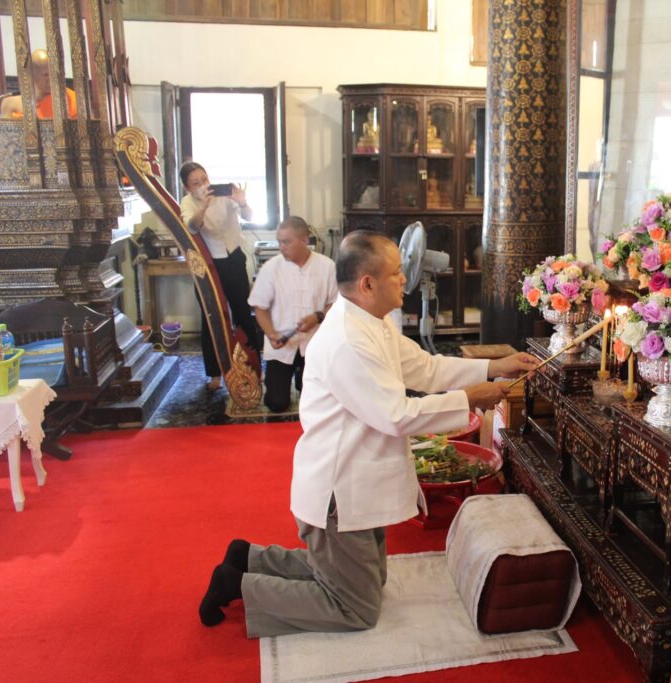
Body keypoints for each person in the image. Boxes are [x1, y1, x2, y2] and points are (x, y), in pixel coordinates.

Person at [197, 230, 539, 636]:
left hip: (358, 481)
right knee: (355, 609)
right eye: (396, 272)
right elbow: (397, 416)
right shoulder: (347, 340)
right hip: (338, 494)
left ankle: (249, 557)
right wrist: (468, 399)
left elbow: (425, 368)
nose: (404, 278)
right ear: (367, 284)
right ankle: (238, 584)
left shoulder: (370, 321)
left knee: (367, 582)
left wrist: (494, 367)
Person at [180, 161, 263, 390]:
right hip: (208, 265)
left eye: (204, 179)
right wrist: (203, 205)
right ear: (187, 187)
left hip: (234, 258)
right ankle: (214, 375)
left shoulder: (225, 193)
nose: (202, 185)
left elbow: (249, 216)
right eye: (195, 183)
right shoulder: (187, 202)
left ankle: (255, 367)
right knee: (211, 317)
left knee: (243, 312)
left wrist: (242, 201)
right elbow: (192, 226)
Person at [248, 216, 337, 412]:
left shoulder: (327, 266)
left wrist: (318, 317)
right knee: (276, 404)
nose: (281, 247)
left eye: (287, 242)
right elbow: (259, 307)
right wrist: (271, 333)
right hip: (282, 344)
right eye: (279, 241)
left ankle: (302, 380)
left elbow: (335, 304)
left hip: (315, 343)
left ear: (304, 240)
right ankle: (293, 379)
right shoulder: (271, 268)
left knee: (316, 403)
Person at [0, 49, 77, 119]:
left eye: (54, 74)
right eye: (46, 75)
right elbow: (3, 130)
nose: (52, 79)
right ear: (32, 75)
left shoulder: (70, 99)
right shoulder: (10, 103)